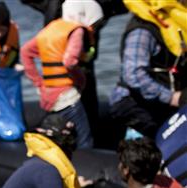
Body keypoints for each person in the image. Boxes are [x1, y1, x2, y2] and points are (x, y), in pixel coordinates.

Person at [20, 0, 128, 133]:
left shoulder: (97, 5)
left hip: (83, 69)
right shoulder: (53, 3)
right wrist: (38, 83)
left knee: (88, 114)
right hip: (63, 75)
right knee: (68, 117)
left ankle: (88, 139)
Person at [109, 0, 187, 143]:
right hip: (135, 104)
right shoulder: (143, 30)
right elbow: (133, 75)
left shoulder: (171, 28)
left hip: (159, 103)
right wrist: (173, 97)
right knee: (165, 142)